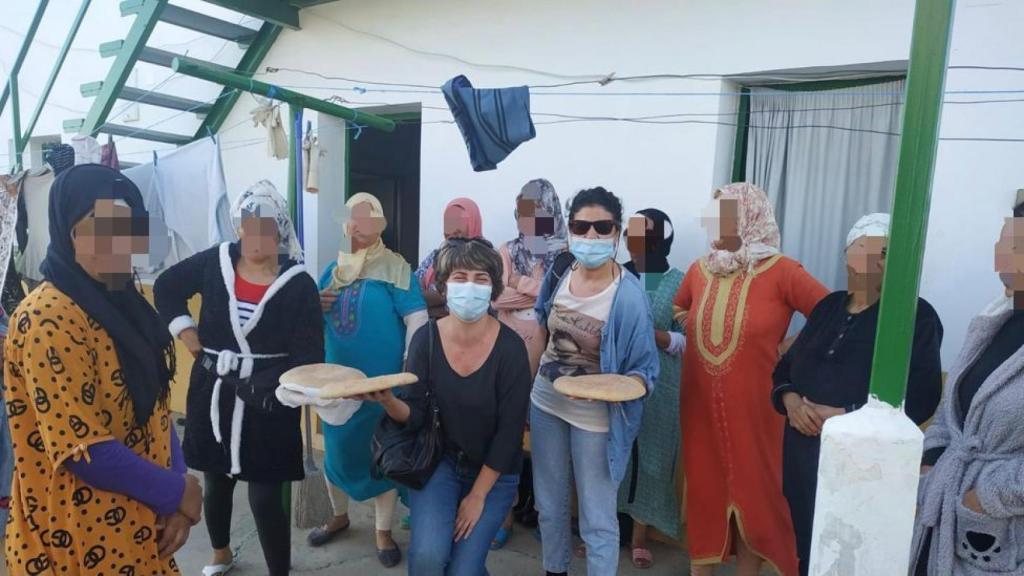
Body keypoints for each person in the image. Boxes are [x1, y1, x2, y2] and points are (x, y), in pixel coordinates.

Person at [3, 165, 202, 575]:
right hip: (75, 542)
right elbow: (85, 450)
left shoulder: (124, 306)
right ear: (68, 229)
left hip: (142, 531)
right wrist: (176, 491)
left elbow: (155, 409)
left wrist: (177, 492)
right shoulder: (47, 317)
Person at [154, 181, 323, 576]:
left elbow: (310, 354)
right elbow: (166, 287)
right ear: (238, 228)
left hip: (269, 400)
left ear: (279, 230)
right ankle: (220, 553)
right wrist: (185, 331)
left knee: (266, 497)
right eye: (249, 224)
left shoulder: (299, 285)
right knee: (216, 485)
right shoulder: (215, 262)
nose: (256, 234)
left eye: (266, 226)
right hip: (214, 391)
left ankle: (278, 569)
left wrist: (275, 382)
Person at [771, 213, 943, 576]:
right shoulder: (828, 307)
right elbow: (785, 370)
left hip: (862, 466)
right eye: (874, 250)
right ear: (849, 254)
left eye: (889, 253)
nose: (882, 260)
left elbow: (923, 395)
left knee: (850, 556)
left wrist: (846, 414)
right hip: (804, 454)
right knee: (809, 548)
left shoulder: (915, 316)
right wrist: (791, 402)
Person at [674, 182, 828, 576]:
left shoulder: (782, 271)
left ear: (749, 216)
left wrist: (792, 345)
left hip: (759, 412)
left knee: (757, 495)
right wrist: (692, 327)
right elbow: (679, 307)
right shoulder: (699, 269)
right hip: (699, 408)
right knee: (706, 491)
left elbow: (831, 315)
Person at [359, 237, 532, 575]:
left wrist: (478, 496)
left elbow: (510, 433)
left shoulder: (510, 350)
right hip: (439, 461)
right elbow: (415, 415)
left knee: (463, 570)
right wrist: (389, 400)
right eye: (460, 276)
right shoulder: (427, 340)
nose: (470, 286)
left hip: (494, 473)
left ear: (494, 288)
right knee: (427, 559)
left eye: (481, 278)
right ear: (443, 284)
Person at [531, 187, 659, 576]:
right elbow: (541, 327)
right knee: (549, 505)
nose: (591, 236)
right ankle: (555, 569)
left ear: (617, 233)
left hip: (597, 418)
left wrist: (608, 389)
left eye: (602, 227)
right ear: (569, 229)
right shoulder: (559, 269)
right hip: (545, 404)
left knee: (597, 517)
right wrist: (524, 390)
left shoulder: (629, 297)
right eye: (581, 226)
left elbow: (644, 372)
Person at [308, 193, 428, 567]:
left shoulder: (396, 268)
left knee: (380, 454)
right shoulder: (332, 270)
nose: (358, 225)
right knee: (338, 450)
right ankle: (339, 516)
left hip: (379, 384)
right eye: (352, 218)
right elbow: (308, 318)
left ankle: (382, 530)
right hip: (338, 381)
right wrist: (316, 304)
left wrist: (408, 370)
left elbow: (418, 320)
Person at [910, 202, 1024, 576]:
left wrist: (984, 497)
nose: (997, 251)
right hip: (944, 506)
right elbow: (952, 408)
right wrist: (932, 461)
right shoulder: (993, 322)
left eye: (1009, 242)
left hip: (999, 526)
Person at [490, 178, 568, 549]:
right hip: (506, 353)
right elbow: (495, 297)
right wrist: (528, 288)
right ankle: (503, 514)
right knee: (505, 434)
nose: (526, 220)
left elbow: (557, 302)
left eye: (534, 213)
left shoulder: (566, 254)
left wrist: (519, 286)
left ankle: (546, 513)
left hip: (550, 357)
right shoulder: (506, 249)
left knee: (547, 440)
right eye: (522, 212)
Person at [617, 208, 686, 569]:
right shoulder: (616, 276)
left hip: (661, 384)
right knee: (614, 454)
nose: (633, 243)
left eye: (641, 236)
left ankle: (640, 537)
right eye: (630, 235)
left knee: (654, 458)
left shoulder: (679, 282)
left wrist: (654, 336)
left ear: (659, 239)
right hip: (616, 381)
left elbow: (690, 340)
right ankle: (607, 531)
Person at [416, 198, 483, 318]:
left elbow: (469, 304)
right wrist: (445, 298)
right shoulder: (435, 256)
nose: (452, 230)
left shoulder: (485, 258)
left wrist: (433, 301)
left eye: (459, 222)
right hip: (433, 330)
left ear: (473, 223)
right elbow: (413, 293)